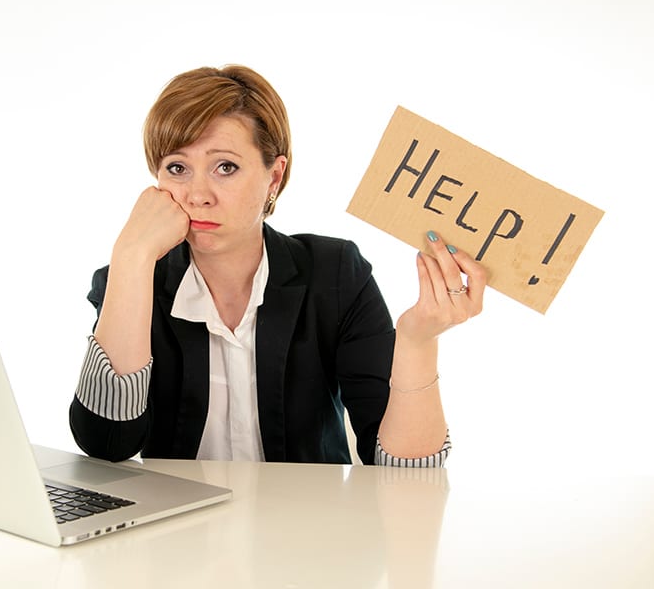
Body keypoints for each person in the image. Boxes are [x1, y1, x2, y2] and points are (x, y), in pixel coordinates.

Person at [70, 65, 485, 466]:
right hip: (177, 532)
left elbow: (404, 471)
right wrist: (131, 257)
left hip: (305, 530)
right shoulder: (131, 280)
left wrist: (417, 341)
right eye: (177, 168)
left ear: (274, 176)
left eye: (225, 167)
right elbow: (107, 441)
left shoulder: (336, 274)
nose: (198, 195)